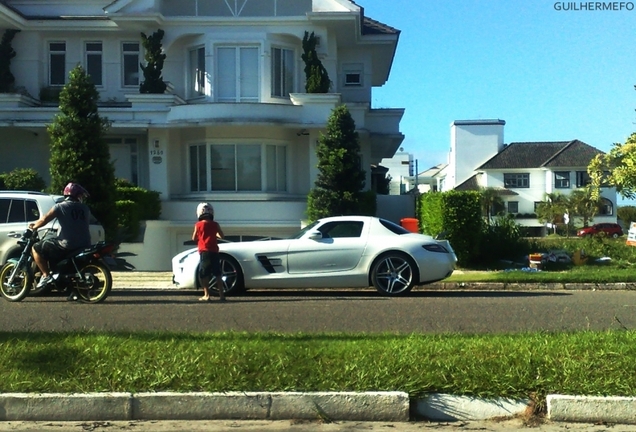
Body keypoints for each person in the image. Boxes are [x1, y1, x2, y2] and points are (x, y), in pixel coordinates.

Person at [29, 182, 92, 290]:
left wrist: (33, 227)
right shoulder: (85, 208)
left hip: (67, 244)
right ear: (77, 196)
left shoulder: (60, 207)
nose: (81, 198)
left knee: (36, 247)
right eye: (80, 195)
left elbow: (44, 219)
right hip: (85, 243)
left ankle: (46, 275)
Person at [192, 202, 226, 301]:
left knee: (204, 273)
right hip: (214, 251)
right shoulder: (215, 224)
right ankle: (221, 295)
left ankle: (207, 295)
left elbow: (194, 237)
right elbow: (222, 236)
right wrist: (213, 235)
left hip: (204, 251)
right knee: (217, 273)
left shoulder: (198, 225)